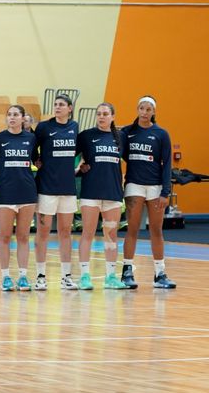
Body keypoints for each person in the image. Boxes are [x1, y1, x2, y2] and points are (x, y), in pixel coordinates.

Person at [121, 96, 175, 289]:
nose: (144, 112)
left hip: (155, 187)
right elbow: (122, 155)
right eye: (141, 108)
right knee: (133, 228)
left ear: (153, 112)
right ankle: (127, 272)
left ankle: (160, 273)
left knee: (156, 230)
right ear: (137, 109)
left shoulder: (161, 134)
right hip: (134, 184)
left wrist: (165, 192)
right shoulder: (127, 132)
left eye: (148, 109)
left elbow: (167, 163)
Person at [0, 105, 38, 291]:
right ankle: (6, 277)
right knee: (5, 236)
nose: (12, 118)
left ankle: (24, 276)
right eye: (9, 114)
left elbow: (35, 159)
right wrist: (2, 177)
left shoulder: (31, 139)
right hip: (5, 194)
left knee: (23, 236)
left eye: (16, 115)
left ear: (23, 118)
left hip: (26, 192)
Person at [77, 102, 125, 290]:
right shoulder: (87, 136)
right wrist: (79, 168)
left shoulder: (121, 137)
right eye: (99, 114)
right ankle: (84, 276)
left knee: (111, 234)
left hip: (113, 194)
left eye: (105, 114)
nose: (102, 117)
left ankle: (111, 276)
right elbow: (69, 156)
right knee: (87, 233)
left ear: (113, 116)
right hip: (91, 193)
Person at [34, 93, 79, 290]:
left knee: (65, 232)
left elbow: (80, 150)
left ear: (70, 108)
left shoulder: (75, 127)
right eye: (55, 104)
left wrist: (81, 167)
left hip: (68, 189)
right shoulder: (44, 127)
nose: (57, 107)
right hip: (46, 188)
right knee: (43, 232)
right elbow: (30, 146)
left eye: (61, 105)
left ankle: (66, 276)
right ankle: (40, 275)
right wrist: (36, 160)